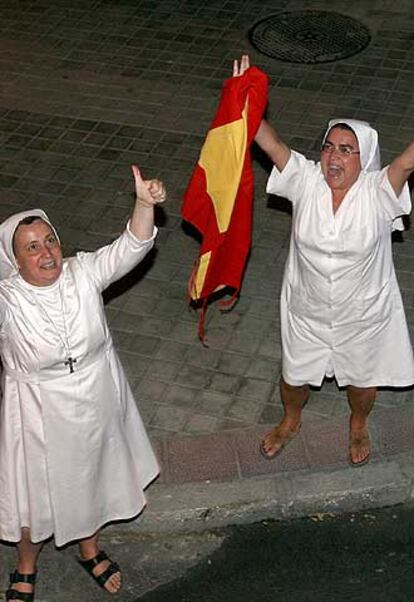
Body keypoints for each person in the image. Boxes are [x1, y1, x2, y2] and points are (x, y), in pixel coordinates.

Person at [233, 55, 414, 467]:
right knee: (294, 378)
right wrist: (243, 96)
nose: (334, 157)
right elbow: (269, 142)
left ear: (363, 159)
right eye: (329, 146)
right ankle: (290, 420)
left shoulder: (378, 191)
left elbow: (406, 161)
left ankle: (357, 423)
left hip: (362, 314)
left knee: (361, 382)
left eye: (346, 150)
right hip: (306, 309)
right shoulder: (306, 180)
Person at [0, 165, 166, 601]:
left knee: (93, 473)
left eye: (50, 241)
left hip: (97, 391)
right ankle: (26, 563)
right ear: (15, 262)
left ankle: (89, 548)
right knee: (34, 493)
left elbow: (131, 247)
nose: (47, 254)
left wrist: (144, 204)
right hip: (38, 408)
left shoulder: (84, 271)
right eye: (31, 248)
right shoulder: (7, 298)